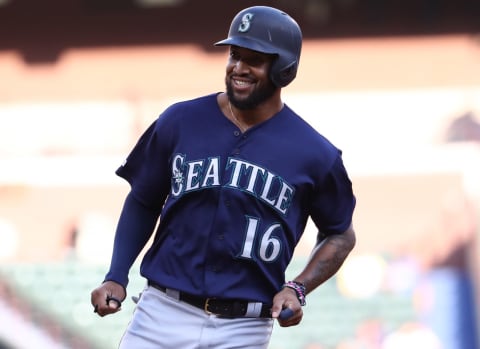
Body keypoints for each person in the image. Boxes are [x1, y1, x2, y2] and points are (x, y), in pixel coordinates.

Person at [90, 5, 356, 349]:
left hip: (243, 328)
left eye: (254, 59)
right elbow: (143, 199)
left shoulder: (315, 153)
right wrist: (116, 275)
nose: (239, 68)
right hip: (162, 314)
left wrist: (298, 287)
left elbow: (340, 235)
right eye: (234, 54)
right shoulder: (179, 121)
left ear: (284, 68)